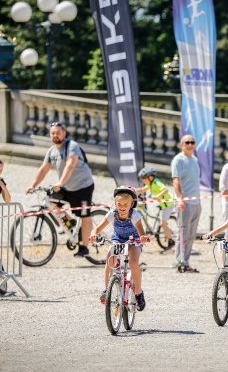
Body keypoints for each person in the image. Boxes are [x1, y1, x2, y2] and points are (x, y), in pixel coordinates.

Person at [26, 122, 94, 257]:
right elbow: (43, 169)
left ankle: (84, 247)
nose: (55, 135)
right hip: (66, 187)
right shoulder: (52, 151)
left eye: (58, 132)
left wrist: (60, 183)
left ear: (64, 133)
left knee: (85, 216)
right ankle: (70, 221)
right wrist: (32, 185)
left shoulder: (72, 146)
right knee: (51, 199)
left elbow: (70, 165)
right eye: (52, 133)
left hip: (83, 187)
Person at [89, 186, 149, 310]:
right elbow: (97, 229)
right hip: (118, 239)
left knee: (133, 262)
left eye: (125, 204)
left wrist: (143, 237)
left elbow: (141, 232)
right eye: (119, 204)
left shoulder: (135, 215)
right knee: (109, 260)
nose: (122, 207)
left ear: (132, 204)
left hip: (134, 240)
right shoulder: (112, 214)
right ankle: (107, 290)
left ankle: (138, 292)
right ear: (115, 203)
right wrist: (93, 234)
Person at [171, 134, 202, 272]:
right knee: (183, 233)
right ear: (181, 144)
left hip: (197, 202)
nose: (190, 144)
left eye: (192, 142)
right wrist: (180, 198)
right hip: (186, 202)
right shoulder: (178, 160)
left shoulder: (195, 159)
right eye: (187, 142)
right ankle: (179, 261)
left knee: (191, 234)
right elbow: (176, 180)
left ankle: (186, 261)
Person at [136, 166, 175, 252]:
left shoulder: (156, 182)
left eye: (143, 179)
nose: (142, 181)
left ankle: (171, 241)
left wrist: (157, 196)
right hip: (163, 204)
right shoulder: (150, 184)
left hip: (168, 205)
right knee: (160, 221)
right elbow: (142, 189)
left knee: (162, 223)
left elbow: (165, 190)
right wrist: (132, 190)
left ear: (150, 177)